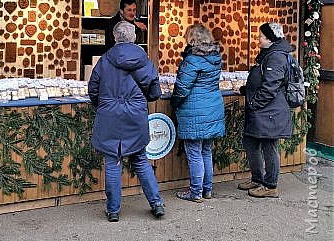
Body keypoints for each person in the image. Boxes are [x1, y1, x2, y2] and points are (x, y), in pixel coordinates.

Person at [88, 21, 164, 222]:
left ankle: (113, 210)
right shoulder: (144, 61)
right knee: (140, 160)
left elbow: (93, 90)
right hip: (135, 115)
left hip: (109, 116)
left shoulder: (104, 61)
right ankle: (156, 203)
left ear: (115, 38)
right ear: (134, 38)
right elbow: (155, 91)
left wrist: (103, 106)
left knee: (113, 161)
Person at [237, 22, 294, 198]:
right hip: (263, 110)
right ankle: (257, 178)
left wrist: (254, 103)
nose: (258, 39)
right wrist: (248, 90)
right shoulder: (269, 54)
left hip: (269, 111)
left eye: (261, 36)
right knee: (250, 143)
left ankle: (270, 186)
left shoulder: (276, 57)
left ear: (270, 38)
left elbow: (270, 86)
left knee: (269, 147)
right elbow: (262, 79)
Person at [171, 24, 225, 202]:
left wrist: (175, 103)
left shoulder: (192, 59)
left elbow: (182, 88)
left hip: (195, 109)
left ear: (192, 39)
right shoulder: (216, 57)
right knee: (206, 151)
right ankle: (207, 190)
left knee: (194, 152)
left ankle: (195, 192)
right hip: (212, 107)